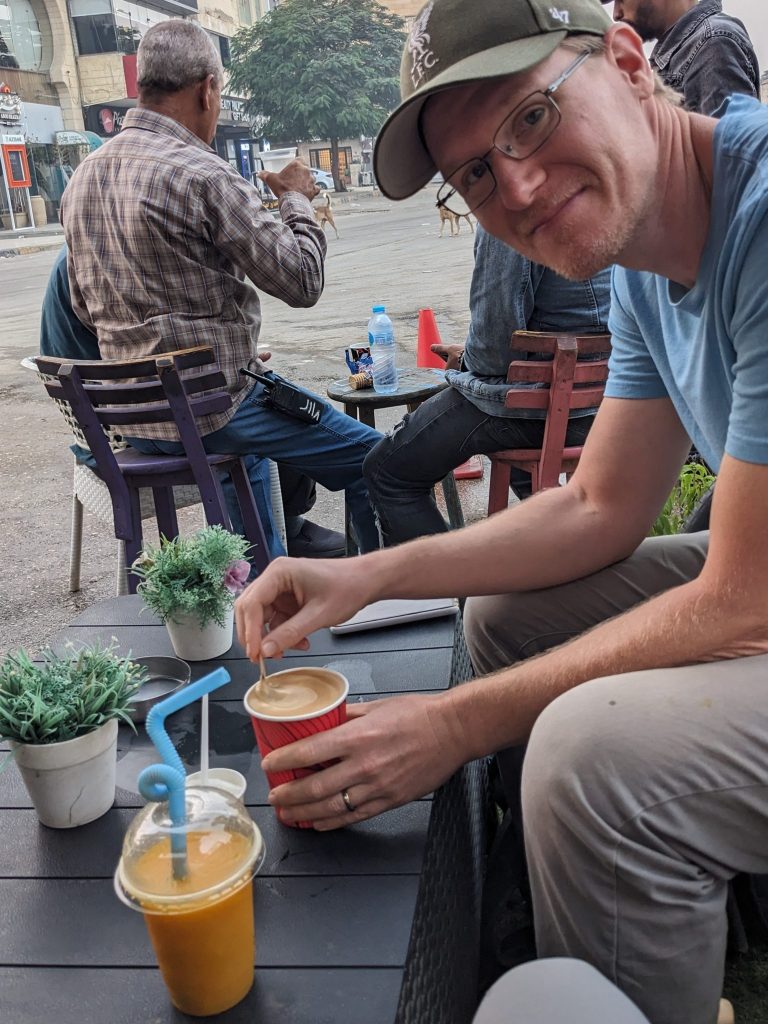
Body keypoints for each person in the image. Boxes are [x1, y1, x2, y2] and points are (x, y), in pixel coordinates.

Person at [234, 0, 768, 1021]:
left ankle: (614, 925)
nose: (515, 186)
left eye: (531, 116)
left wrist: (454, 725)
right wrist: (367, 574)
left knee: (589, 765)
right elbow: (601, 505)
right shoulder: (645, 260)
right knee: (505, 615)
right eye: (475, 174)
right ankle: (562, 904)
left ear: (628, 62)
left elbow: (747, 599)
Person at [59, 20, 381, 558]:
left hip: (135, 422)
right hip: (212, 412)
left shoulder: (83, 178)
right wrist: (296, 200)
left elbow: (84, 310)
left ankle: (260, 579)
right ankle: (387, 589)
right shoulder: (205, 175)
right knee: (379, 459)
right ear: (208, 89)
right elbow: (303, 282)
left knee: (248, 442)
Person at [39, 246, 340, 560]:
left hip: (98, 429)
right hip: (132, 429)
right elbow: (143, 356)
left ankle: (282, 531)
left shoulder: (86, 248)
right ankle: (275, 543)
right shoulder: (107, 256)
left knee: (259, 394)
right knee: (261, 408)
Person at [363, 226, 610, 544]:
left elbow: (494, 349)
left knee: (386, 470)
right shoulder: (592, 209)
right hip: (600, 406)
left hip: (538, 409)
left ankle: (451, 575)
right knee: (525, 471)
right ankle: (560, 552)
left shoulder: (509, 215)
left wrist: (466, 361)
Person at [606, 0, 759, 114]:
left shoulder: (711, 44)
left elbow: (728, 145)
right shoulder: (686, 51)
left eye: (621, 0)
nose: (616, 14)